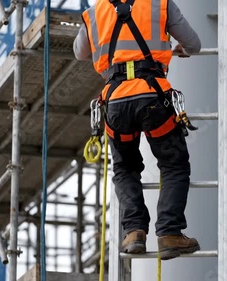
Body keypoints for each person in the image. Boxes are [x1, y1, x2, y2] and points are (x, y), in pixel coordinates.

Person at [73, 0, 201, 260]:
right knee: (174, 164)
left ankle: (133, 232)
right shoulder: (160, 3)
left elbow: (80, 52)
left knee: (125, 167)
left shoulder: (94, 13)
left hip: (115, 101)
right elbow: (194, 44)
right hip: (152, 95)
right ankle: (169, 233)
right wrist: (182, 49)